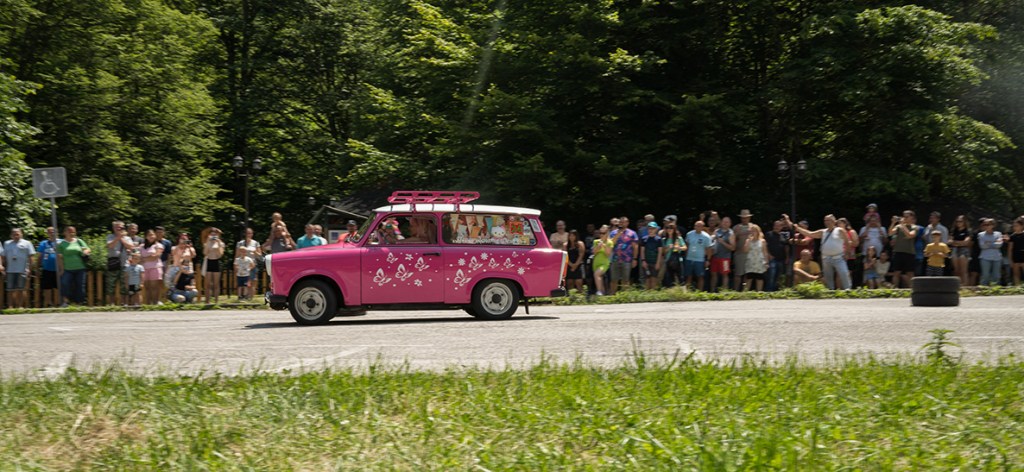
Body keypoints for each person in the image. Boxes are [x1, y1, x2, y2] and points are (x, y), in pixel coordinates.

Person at [785, 213, 851, 290]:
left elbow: (847, 242)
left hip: (838, 257)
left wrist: (847, 253)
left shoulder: (840, 230)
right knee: (828, 276)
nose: (826, 222)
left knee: (843, 273)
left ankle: (848, 289)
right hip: (826, 258)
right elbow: (810, 234)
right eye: (825, 220)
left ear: (834, 221)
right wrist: (797, 228)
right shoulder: (823, 232)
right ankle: (831, 290)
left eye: (828, 220)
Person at [56, 226, 91, 306]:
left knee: (80, 285)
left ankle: (79, 303)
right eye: (69, 231)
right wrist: (61, 269)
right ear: (64, 233)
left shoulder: (79, 241)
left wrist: (85, 251)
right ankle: (66, 301)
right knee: (65, 283)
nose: (71, 233)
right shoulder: (61, 244)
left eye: (73, 232)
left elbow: (88, 249)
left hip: (80, 267)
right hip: (67, 268)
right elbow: (59, 258)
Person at [3, 228, 36, 308]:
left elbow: (31, 257)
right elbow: (4, 257)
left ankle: (20, 306)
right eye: (14, 234)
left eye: (17, 234)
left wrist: (30, 269)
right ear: (11, 235)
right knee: (10, 289)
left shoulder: (27, 243)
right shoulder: (7, 243)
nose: (16, 236)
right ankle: (10, 306)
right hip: (10, 270)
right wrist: (4, 268)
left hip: (22, 270)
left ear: (21, 234)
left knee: (21, 289)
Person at [105, 220, 135, 305]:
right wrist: (118, 237)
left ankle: (124, 303)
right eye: (117, 227)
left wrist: (121, 238)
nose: (119, 228)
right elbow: (110, 246)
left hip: (124, 264)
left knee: (124, 284)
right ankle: (111, 303)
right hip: (113, 263)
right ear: (113, 228)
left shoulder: (127, 238)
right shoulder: (110, 236)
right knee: (111, 284)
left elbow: (131, 247)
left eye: (120, 227)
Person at [608, 216, 638, 295]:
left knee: (625, 279)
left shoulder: (632, 233)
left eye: (624, 222)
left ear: (627, 223)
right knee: (614, 279)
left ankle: (624, 296)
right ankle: (612, 295)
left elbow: (635, 247)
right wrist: (618, 234)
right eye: (620, 222)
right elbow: (610, 244)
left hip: (627, 259)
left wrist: (635, 259)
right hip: (615, 259)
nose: (622, 223)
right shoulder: (613, 233)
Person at [888, 211, 918, 288]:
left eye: (907, 217)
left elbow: (910, 235)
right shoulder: (899, 226)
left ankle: (912, 289)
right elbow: (890, 233)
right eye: (904, 216)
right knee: (896, 272)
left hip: (909, 252)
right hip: (898, 252)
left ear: (912, 217)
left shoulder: (914, 227)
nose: (905, 218)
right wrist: (893, 223)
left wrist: (902, 226)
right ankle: (895, 289)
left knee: (910, 273)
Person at [138, 229, 166, 305]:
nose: (151, 236)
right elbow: (138, 257)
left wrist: (143, 259)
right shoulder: (141, 246)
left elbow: (156, 256)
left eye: (153, 235)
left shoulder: (158, 245)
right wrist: (148, 257)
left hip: (155, 268)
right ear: (146, 237)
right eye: (149, 235)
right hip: (144, 269)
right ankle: (148, 304)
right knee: (147, 287)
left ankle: (155, 303)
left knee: (154, 287)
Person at [36, 226, 63, 307]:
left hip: (58, 269)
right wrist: (37, 268)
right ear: (47, 233)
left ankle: (58, 303)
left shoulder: (61, 242)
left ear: (57, 232)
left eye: (53, 232)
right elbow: (40, 256)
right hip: (47, 269)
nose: (52, 233)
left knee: (58, 287)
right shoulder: (43, 243)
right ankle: (48, 303)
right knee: (47, 287)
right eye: (50, 232)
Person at [684, 220, 713, 291]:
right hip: (689, 258)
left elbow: (709, 249)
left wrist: (708, 260)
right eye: (696, 226)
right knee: (688, 276)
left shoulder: (706, 237)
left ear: (703, 227)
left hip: (700, 260)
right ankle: (687, 292)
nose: (697, 227)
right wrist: (685, 256)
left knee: (700, 277)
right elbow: (686, 245)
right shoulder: (689, 234)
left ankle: (699, 292)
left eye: (700, 226)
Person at [709, 216, 735, 292]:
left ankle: (724, 291)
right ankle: (712, 291)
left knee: (725, 274)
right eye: (724, 222)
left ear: (730, 223)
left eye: (727, 222)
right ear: (721, 222)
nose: (725, 223)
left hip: (725, 258)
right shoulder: (717, 231)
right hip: (715, 256)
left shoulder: (731, 233)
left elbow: (733, 248)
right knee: (713, 274)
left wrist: (723, 242)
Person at [236, 227, 262, 298]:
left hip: (252, 265)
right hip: (242, 266)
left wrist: (255, 252)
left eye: (250, 233)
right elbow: (237, 255)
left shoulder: (255, 243)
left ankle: (251, 297)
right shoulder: (240, 243)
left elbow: (260, 256)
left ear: (252, 234)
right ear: (245, 234)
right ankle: (243, 296)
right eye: (247, 233)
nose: (248, 235)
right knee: (243, 283)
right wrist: (236, 265)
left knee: (252, 281)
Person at [743, 224, 770, 291]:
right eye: (751, 231)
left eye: (754, 231)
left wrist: (766, 262)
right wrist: (748, 241)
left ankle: (759, 293)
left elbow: (765, 252)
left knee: (759, 279)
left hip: (759, 262)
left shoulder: (762, 241)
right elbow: (745, 250)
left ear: (757, 232)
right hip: (750, 262)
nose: (752, 233)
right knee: (749, 278)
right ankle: (745, 293)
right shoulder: (748, 241)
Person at [732, 210, 754, 291]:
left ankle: (745, 291)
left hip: (751, 254)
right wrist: (737, 234)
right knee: (738, 274)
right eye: (743, 218)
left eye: (746, 217)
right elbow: (732, 240)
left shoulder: (753, 227)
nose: (744, 219)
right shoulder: (736, 228)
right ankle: (736, 290)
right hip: (739, 254)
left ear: (749, 218)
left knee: (748, 274)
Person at [977, 218, 1003, 286]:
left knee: (996, 275)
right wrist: (994, 243)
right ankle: (983, 288)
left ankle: (995, 289)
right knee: (985, 275)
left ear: (993, 225)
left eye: (988, 224)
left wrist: (988, 243)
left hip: (997, 257)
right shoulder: (980, 234)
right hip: (985, 257)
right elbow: (982, 246)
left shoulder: (998, 234)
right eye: (984, 225)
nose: (986, 226)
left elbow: (999, 245)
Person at [764, 219, 788, 292]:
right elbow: (765, 245)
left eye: (779, 226)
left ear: (782, 227)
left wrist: (787, 257)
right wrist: (768, 254)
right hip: (772, 259)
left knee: (779, 276)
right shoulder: (769, 234)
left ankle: (776, 291)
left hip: (782, 259)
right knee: (771, 276)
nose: (777, 227)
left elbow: (786, 247)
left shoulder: (783, 235)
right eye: (775, 225)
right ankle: (769, 291)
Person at [203, 227, 226, 303]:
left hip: (216, 262)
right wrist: (208, 242)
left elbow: (220, 254)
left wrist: (218, 243)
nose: (213, 236)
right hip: (209, 262)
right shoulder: (207, 242)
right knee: (208, 284)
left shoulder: (221, 243)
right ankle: (207, 301)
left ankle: (216, 301)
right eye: (212, 234)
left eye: (215, 234)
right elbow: (205, 253)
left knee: (216, 284)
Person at [949, 215, 972, 286]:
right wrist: (960, 243)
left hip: (964, 250)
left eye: (960, 221)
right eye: (957, 221)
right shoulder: (953, 230)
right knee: (956, 270)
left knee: (963, 270)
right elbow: (950, 241)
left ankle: (965, 285)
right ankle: (957, 285)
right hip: (954, 250)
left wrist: (955, 242)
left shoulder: (968, 231)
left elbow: (966, 242)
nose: (958, 223)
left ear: (964, 222)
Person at [838, 218, 860, 288]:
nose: (839, 225)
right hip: (839, 256)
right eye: (838, 223)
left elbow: (856, 243)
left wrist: (848, 242)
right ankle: (838, 290)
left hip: (850, 256)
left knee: (848, 273)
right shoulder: (837, 233)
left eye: (840, 223)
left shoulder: (851, 232)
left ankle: (848, 289)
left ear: (845, 224)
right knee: (839, 274)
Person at [591, 225, 613, 296]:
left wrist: (603, 245)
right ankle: (602, 296)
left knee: (597, 274)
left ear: (607, 233)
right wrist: (598, 247)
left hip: (604, 263)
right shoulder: (596, 241)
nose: (601, 235)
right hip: (596, 263)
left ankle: (599, 291)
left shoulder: (609, 242)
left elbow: (608, 254)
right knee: (600, 279)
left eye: (603, 233)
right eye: (600, 233)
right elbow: (594, 252)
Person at [639, 223, 662, 289]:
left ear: (656, 229)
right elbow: (642, 251)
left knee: (654, 278)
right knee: (647, 278)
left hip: (655, 262)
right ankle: (647, 293)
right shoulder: (644, 239)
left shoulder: (658, 239)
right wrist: (643, 261)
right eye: (649, 228)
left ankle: (653, 293)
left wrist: (658, 263)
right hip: (646, 261)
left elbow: (660, 252)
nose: (651, 230)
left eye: (653, 229)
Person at [1008, 218, 1024, 286]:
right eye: (1014, 226)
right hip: (1015, 256)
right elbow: (1010, 249)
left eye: (1017, 226)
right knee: (1016, 274)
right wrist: (1010, 260)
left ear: (1022, 226)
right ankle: (1017, 287)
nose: (1015, 227)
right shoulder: (1012, 236)